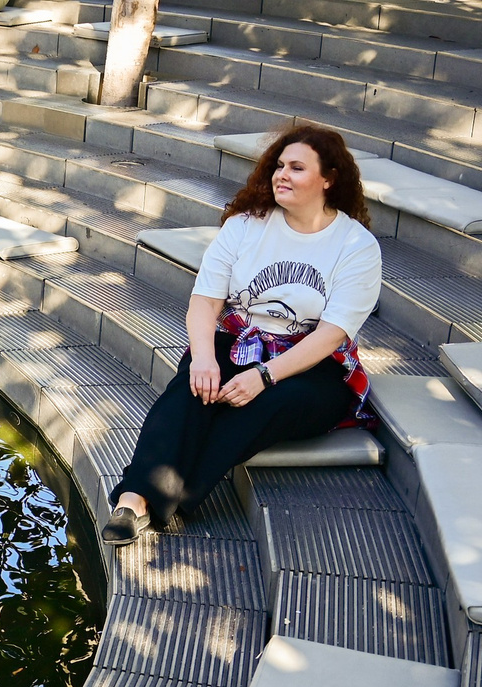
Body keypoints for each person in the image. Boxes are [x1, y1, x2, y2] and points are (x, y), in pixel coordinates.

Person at [102, 124, 382, 544]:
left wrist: (265, 376)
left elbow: (330, 335)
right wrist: (203, 358)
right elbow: (204, 302)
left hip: (312, 365)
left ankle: (164, 493)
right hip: (238, 340)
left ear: (329, 178)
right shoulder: (246, 226)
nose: (282, 174)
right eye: (279, 165)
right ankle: (134, 499)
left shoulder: (356, 245)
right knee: (193, 390)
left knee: (258, 408)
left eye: (297, 168)